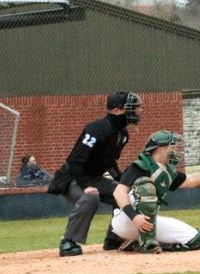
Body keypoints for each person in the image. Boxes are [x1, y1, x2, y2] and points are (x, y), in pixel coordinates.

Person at [47, 91, 143, 257]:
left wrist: (122, 182)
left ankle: (115, 238)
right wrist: (86, 187)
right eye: (133, 108)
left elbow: (109, 162)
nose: (137, 111)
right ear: (118, 110)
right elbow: (75, 161)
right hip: (72, 177)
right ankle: (68, 242)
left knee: (123, 194)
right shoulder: (97, 129)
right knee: (91, 197)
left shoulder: (122, 134)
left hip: (93, 178)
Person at [109, 129, 200, 253]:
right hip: (126, 219)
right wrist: (134, 217)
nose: (175, 150)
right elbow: (118, 192)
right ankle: (146, 243)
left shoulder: (167, 171)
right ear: (160, 148)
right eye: (172, 146)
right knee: (146, 187)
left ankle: (137, 243)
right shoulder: (141, 165)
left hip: (147, 224)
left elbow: (192, 180)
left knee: (195, 239)